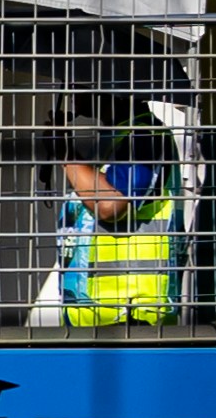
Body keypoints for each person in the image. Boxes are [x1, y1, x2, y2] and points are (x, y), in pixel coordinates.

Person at [55, 121, 177, 327]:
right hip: (85, 321)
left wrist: (66, 154)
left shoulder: (145, 135)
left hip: (133, 321)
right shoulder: (113, 136)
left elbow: (109, 206)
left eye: (83, 87)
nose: (74, 93)